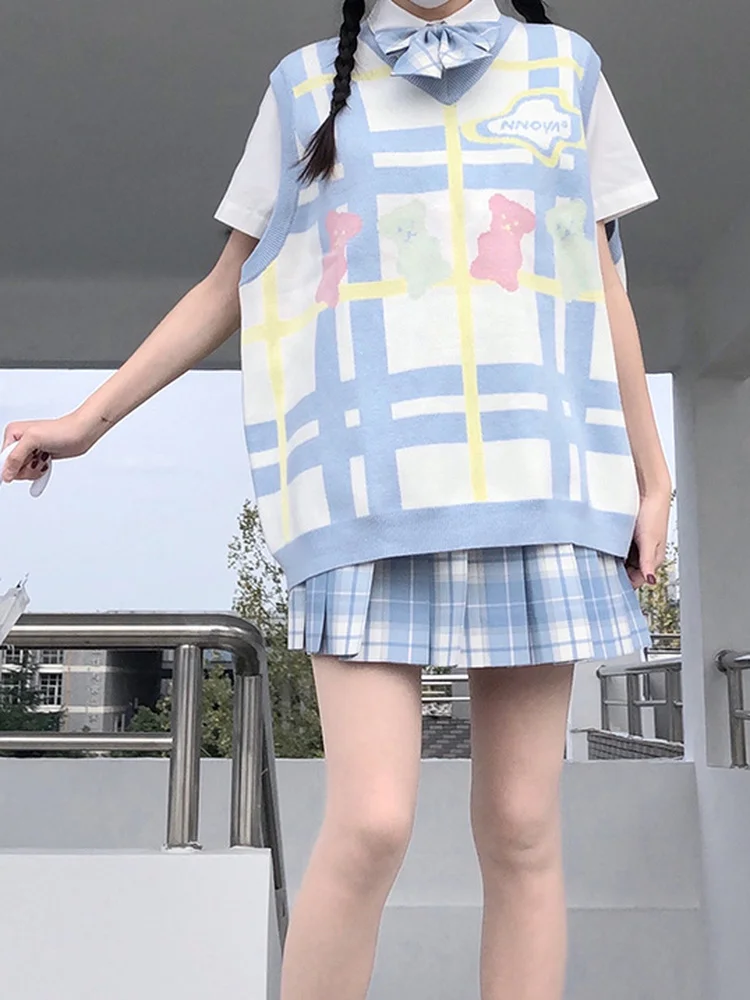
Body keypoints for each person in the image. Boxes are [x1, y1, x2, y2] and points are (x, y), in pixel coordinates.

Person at [2, 0, 671, 997]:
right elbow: (229, 284)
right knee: (371, 824)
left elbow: (604, 279)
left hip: (543, 484)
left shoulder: (565, 70)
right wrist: (86, 423)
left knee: (523, 826)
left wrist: (653, 477)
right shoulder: (306, 86)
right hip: (363, 495)